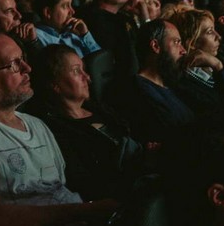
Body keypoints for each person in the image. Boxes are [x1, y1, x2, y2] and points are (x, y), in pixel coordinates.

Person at [0, 31, 118, 226]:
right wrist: (84, 211)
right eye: (14, 64)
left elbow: (60, 188)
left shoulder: (37, 125)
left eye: (23, 60)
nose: (27, 68)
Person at [31, 45, 146, 201]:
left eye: (84, 70)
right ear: (55, 84)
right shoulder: (57, 131)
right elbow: (88, 182)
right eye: (77, 71)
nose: (88, 78)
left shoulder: (100, 109)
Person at [32, 0, 100, 58]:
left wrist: (85, 35)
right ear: (48, 12)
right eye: (65, 6)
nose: (72, 11)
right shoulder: (36, 38)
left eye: (71, 5)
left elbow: (101, 63)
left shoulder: (74, 31)